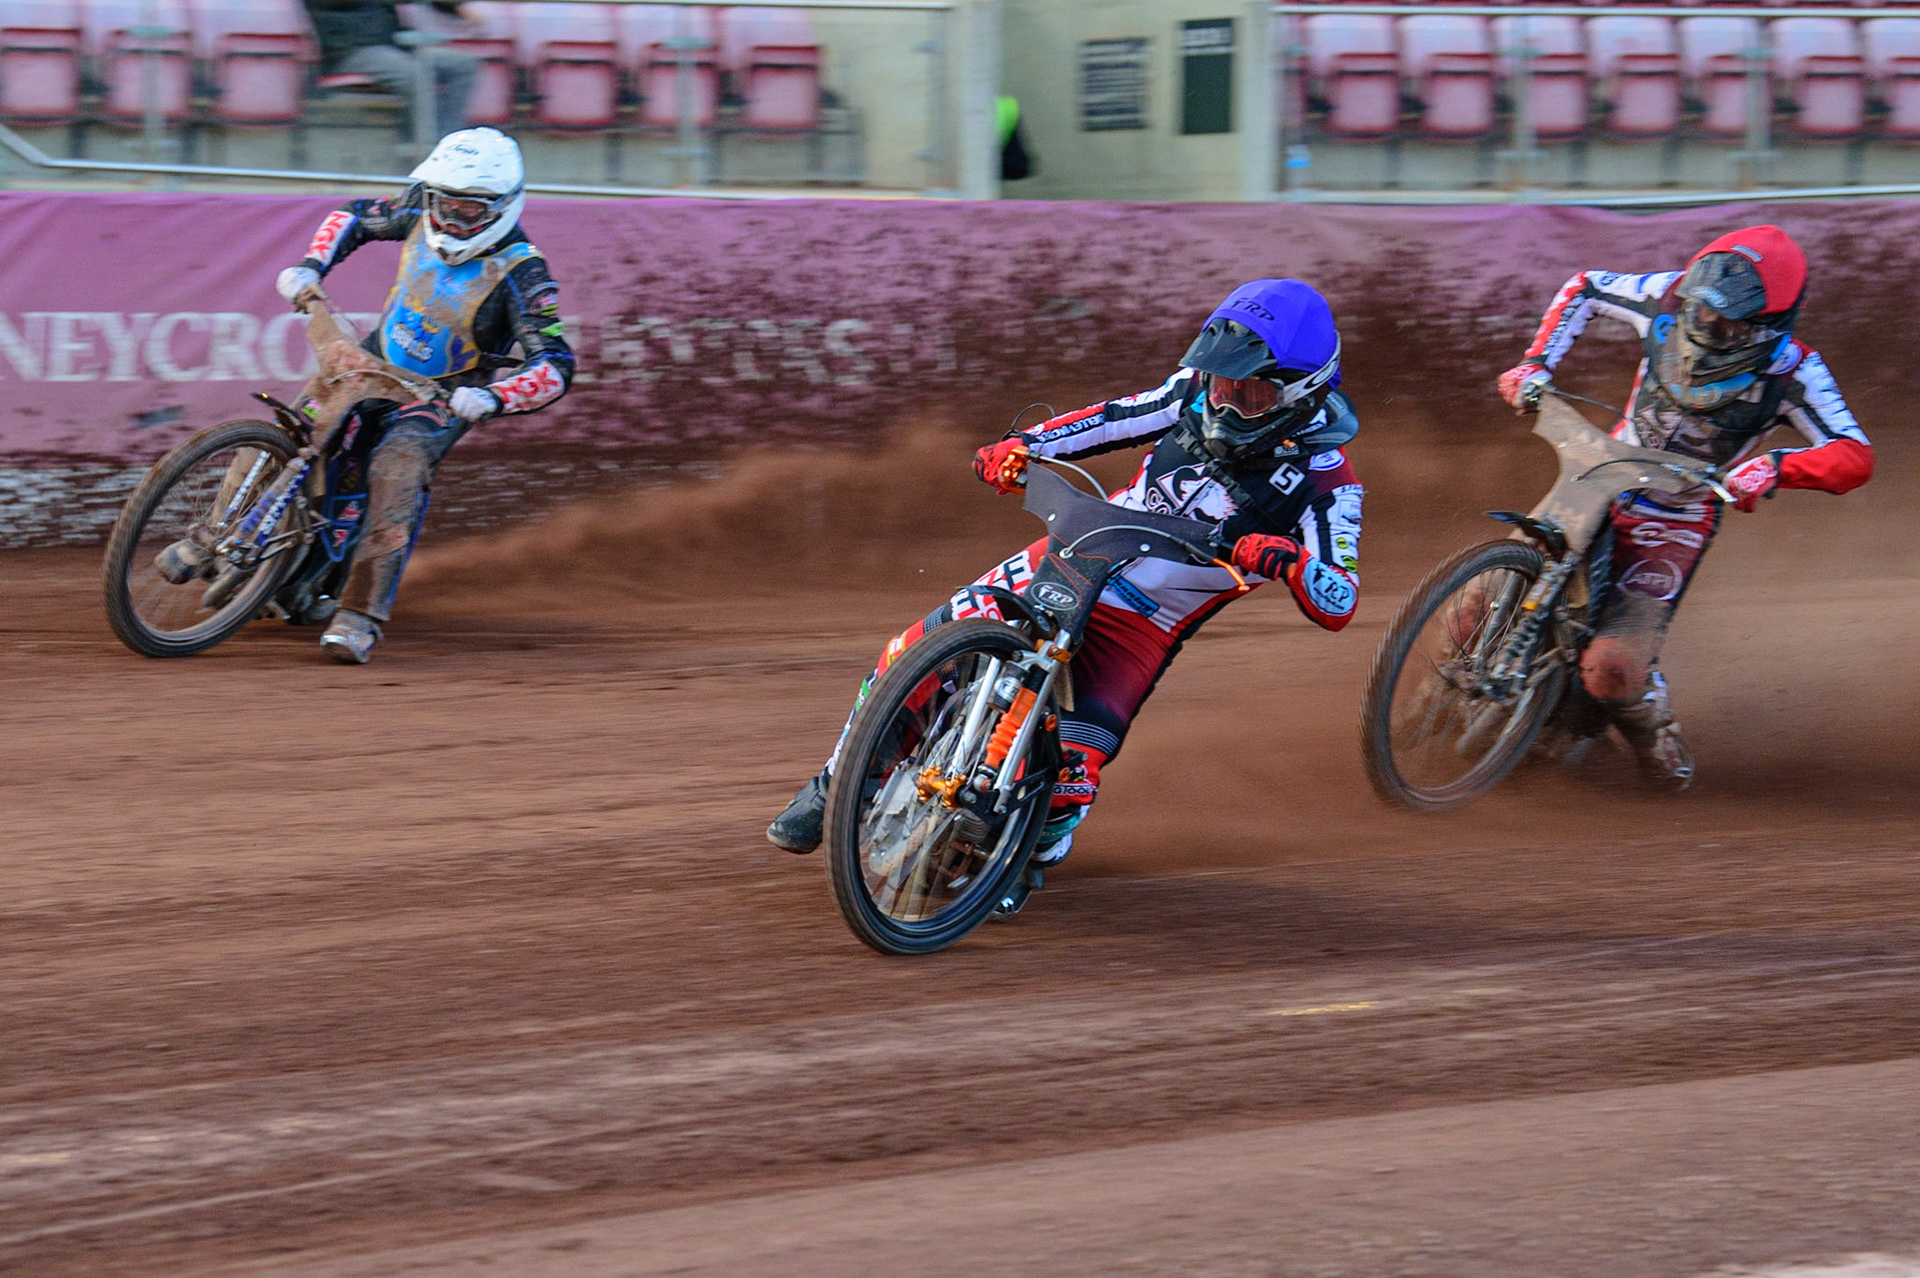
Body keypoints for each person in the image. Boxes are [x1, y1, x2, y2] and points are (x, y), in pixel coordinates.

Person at [767, 279, 1364, 915]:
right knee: (912, 651)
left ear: (1299, 391)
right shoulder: (1190, 394)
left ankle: (1033, 848)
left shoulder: (1330, 485)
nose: (1225, 399)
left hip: (1145, 624)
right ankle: (837, 785)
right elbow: (1109, 419)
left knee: (1072, 777)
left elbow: (1340, 599)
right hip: (1080, 552)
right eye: (1220, 381)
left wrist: (1294, 563)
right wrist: (1023, 447)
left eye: (1249, 392)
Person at [1497, 224, 1872, 791]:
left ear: (1770, 327)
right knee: (1482, 602)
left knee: (1612, 669)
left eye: (1728, 323)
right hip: (1602, 474)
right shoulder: (1664, 294)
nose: (1706, 325)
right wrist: (1536, 364)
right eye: (1699, 310)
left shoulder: (1795, 372)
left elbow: (1854, 455)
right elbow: (1585, 286)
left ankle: (1657, 736)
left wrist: (1774, 468)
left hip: (1677, 513)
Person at [273, 127, 574, 664]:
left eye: (469, 209)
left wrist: (495, 398)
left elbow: (555, 363)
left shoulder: (525, 272)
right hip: (374, 358)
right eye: (443, 202)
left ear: (503, 206)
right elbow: (352, 216)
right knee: (298, 431)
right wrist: (311, 265)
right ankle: (229, 539)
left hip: (445, 393)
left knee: (396, 467)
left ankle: (360, 617)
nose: (450, 217)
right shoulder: (418, 204)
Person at [304, 1, 478, 140]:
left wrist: (455, 7)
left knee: (462, 64)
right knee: (414, 75)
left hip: (393, 45)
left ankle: (446, 139)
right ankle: (425, 146)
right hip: (352, 49)